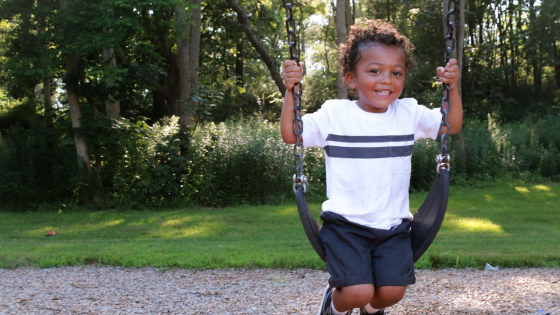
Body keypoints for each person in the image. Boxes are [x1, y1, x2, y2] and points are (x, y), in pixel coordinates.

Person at [280, 19, 463, 315]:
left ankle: (370, 309)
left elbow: (450, 125)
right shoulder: (335, 114)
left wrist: (451, 88)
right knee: (356, 290)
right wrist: (291, 90)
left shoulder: (408, 113)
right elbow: (291, 133)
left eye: (396, 72)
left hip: (393, 226)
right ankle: (335, 307)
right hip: (345, 226)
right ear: (352, 79)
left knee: (392, 291)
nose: (386, 80)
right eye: (375, 71)